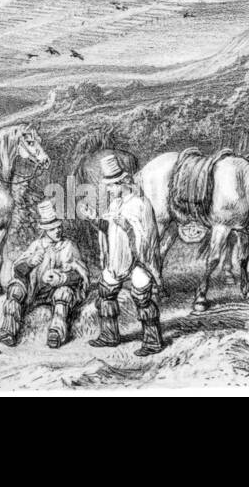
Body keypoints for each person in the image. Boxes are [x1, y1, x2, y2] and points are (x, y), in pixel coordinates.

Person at [85, 152, 165, 356]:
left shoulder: (140, 203)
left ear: (123, 182)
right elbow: (108, 228)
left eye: (112, 185)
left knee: (143, 299)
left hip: (139, 262)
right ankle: (110, 335)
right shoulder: (116, 204)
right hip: (117, 261)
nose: (109, 190)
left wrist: (128, 227)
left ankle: (152, 341)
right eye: (108, 186)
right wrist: (94, 218)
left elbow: (148, 236)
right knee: (106, 293)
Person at [0, 199, 88, 349]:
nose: (57, 231)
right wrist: (30, 263)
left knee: (63, 294)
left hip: (56, 291)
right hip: (35, 291)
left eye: (58, 227)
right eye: (52, 228)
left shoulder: (68, 246)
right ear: (45, 230)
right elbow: (18, 270)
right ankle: (9, 331)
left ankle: (56, 333)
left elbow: (80, 275)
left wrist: (61, 278)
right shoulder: (36, 246)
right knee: (15, 289)